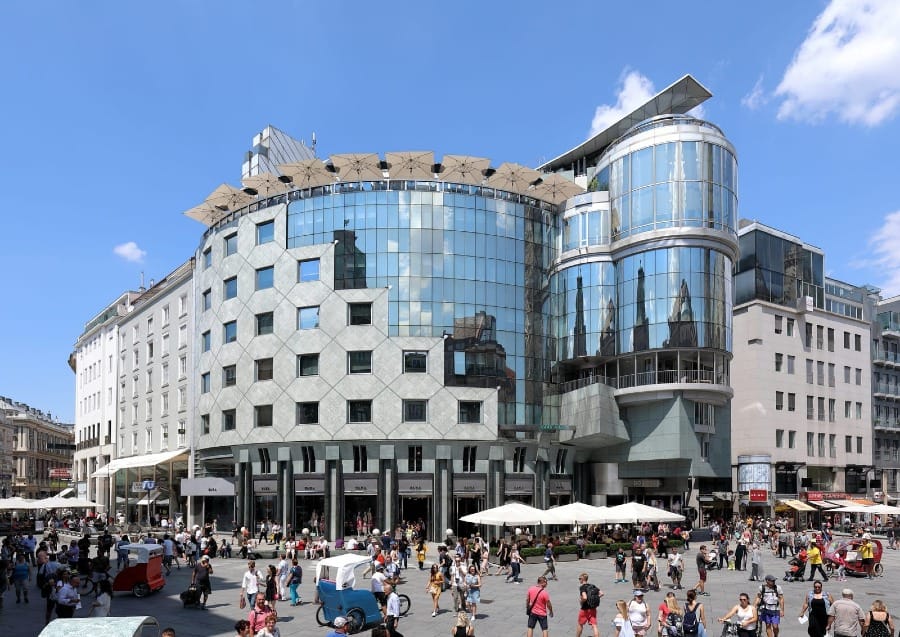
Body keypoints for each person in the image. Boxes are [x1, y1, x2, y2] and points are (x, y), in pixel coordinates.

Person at [577, 572, 602, 637]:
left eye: (579, 578)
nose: (579, 580)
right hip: (593, 609)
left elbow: (585, 597)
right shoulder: (592, 585)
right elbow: (601, 593)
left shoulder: (582, 587)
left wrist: (581, 600)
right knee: (594, 625)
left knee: (580, 624)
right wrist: (595, 598)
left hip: (585, 609)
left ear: (583, 579)